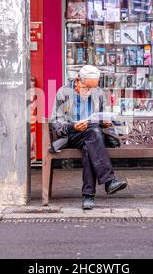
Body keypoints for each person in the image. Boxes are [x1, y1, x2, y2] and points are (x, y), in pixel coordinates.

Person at [50, 65, 127, 210]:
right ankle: (109, 181)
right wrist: (73, 127)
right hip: (71, 136)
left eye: (92, 88)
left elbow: (104, 116)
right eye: (86, 88)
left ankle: (88, 196)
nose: (89, 91)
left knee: (90, 142)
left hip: (93, 137)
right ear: (78, 81)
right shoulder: (63, 92)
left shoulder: (98, 93)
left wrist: (106, 122)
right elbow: (55, 122)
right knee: (94, 134)